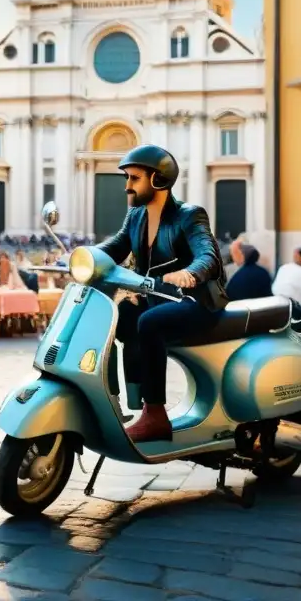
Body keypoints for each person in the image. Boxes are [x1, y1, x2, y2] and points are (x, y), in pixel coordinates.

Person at [97, 144, 227, 443]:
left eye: (134, 178)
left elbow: (208, 255)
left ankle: (155, 415)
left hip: (196, 301)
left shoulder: (189, 215)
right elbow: (114, 247)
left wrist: (190, 273)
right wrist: (80, 257)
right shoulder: (136, 216)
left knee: (149, 322)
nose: (128, 186)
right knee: (117, 316)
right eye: (127, 178)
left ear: (158, 179)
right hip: (158, 298)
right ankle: (121, 398)